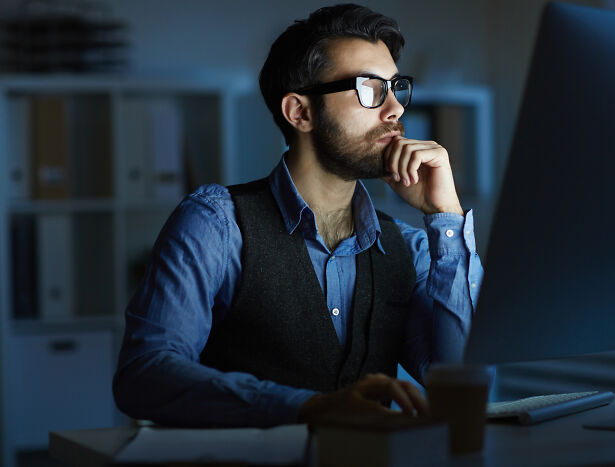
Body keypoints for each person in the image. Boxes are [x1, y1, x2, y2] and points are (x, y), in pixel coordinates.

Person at [112, 3, 483, 428]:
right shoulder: (215, 224)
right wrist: (306, 408)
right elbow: (143, 375)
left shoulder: (410, 246)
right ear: (300, 112)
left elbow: (464, 383)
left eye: (396, 87)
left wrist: (446, 218)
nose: (395, 108)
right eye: (370, 88)